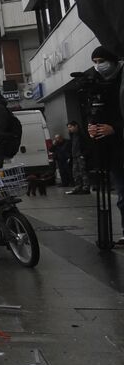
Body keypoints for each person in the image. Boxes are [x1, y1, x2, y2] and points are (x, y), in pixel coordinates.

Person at [80, 47, 124, 246]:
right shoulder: (97, 83)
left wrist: (114, 128)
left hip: (117, 137)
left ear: (113, 60)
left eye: (101, 60)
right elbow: (92, 112)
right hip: (112, 149)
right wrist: (92, 126)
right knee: (122, 192)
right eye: (94, 61)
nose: (98, 65)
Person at [67, 122, 90, 195]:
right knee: (75, 173)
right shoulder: (72, 135)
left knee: (83, 172)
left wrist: (83, 155)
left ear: (76, 126)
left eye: (70, 127)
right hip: (75, 156)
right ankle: (78, 187)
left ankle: (86, 188)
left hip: (80, 156)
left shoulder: (82, 135)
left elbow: (87, 145)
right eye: (68, 127)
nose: (69, 129)